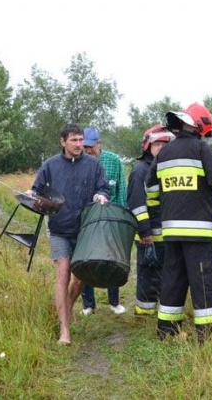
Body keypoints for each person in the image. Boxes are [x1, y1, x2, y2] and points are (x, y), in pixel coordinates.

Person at [146, 103, 212, 342]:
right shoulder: (200, 149)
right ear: (201, 127)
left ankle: (168, 331)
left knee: (173, 278)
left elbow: (151, 189)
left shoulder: (164, 153)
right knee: (204, 280)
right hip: (199, 231)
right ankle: (211, 335)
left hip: (171, 231)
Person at [29, 123, 110, 346]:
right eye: (73, 140)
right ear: (63, 141)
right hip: (59, 229)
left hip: (85, 229)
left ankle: (69, 306)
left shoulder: (93, 165)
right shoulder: (50, 165)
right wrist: (31, 194)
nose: (78, 144)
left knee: (82, 276)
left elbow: (103, 188)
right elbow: (36, 190)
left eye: (80, 139)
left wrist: (101, 196)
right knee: (63, 273)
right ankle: (64, 331)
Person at [80, 127, 128, 315]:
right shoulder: (79, 162)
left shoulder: (114, 161)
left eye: (90, 146)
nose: (87, 150)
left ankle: (114, 302)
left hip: (110, 218)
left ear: (99, 143)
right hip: (87, 219)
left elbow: (121, 190)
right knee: (86, 259)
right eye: (84, 146)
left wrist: (122, 216)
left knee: (112, 258)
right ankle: (88, 304)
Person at [128, 124, 175, 316]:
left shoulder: (164, 168)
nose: (162, 148)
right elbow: (137, 204)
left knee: (165, 274)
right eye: (158, 145)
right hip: (149, 234)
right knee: (148, 275)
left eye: (166, 144)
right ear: (148, 146)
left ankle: (160, 310)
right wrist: (144, 232)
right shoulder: (140, 170)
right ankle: (145, 314)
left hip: (166, 234)